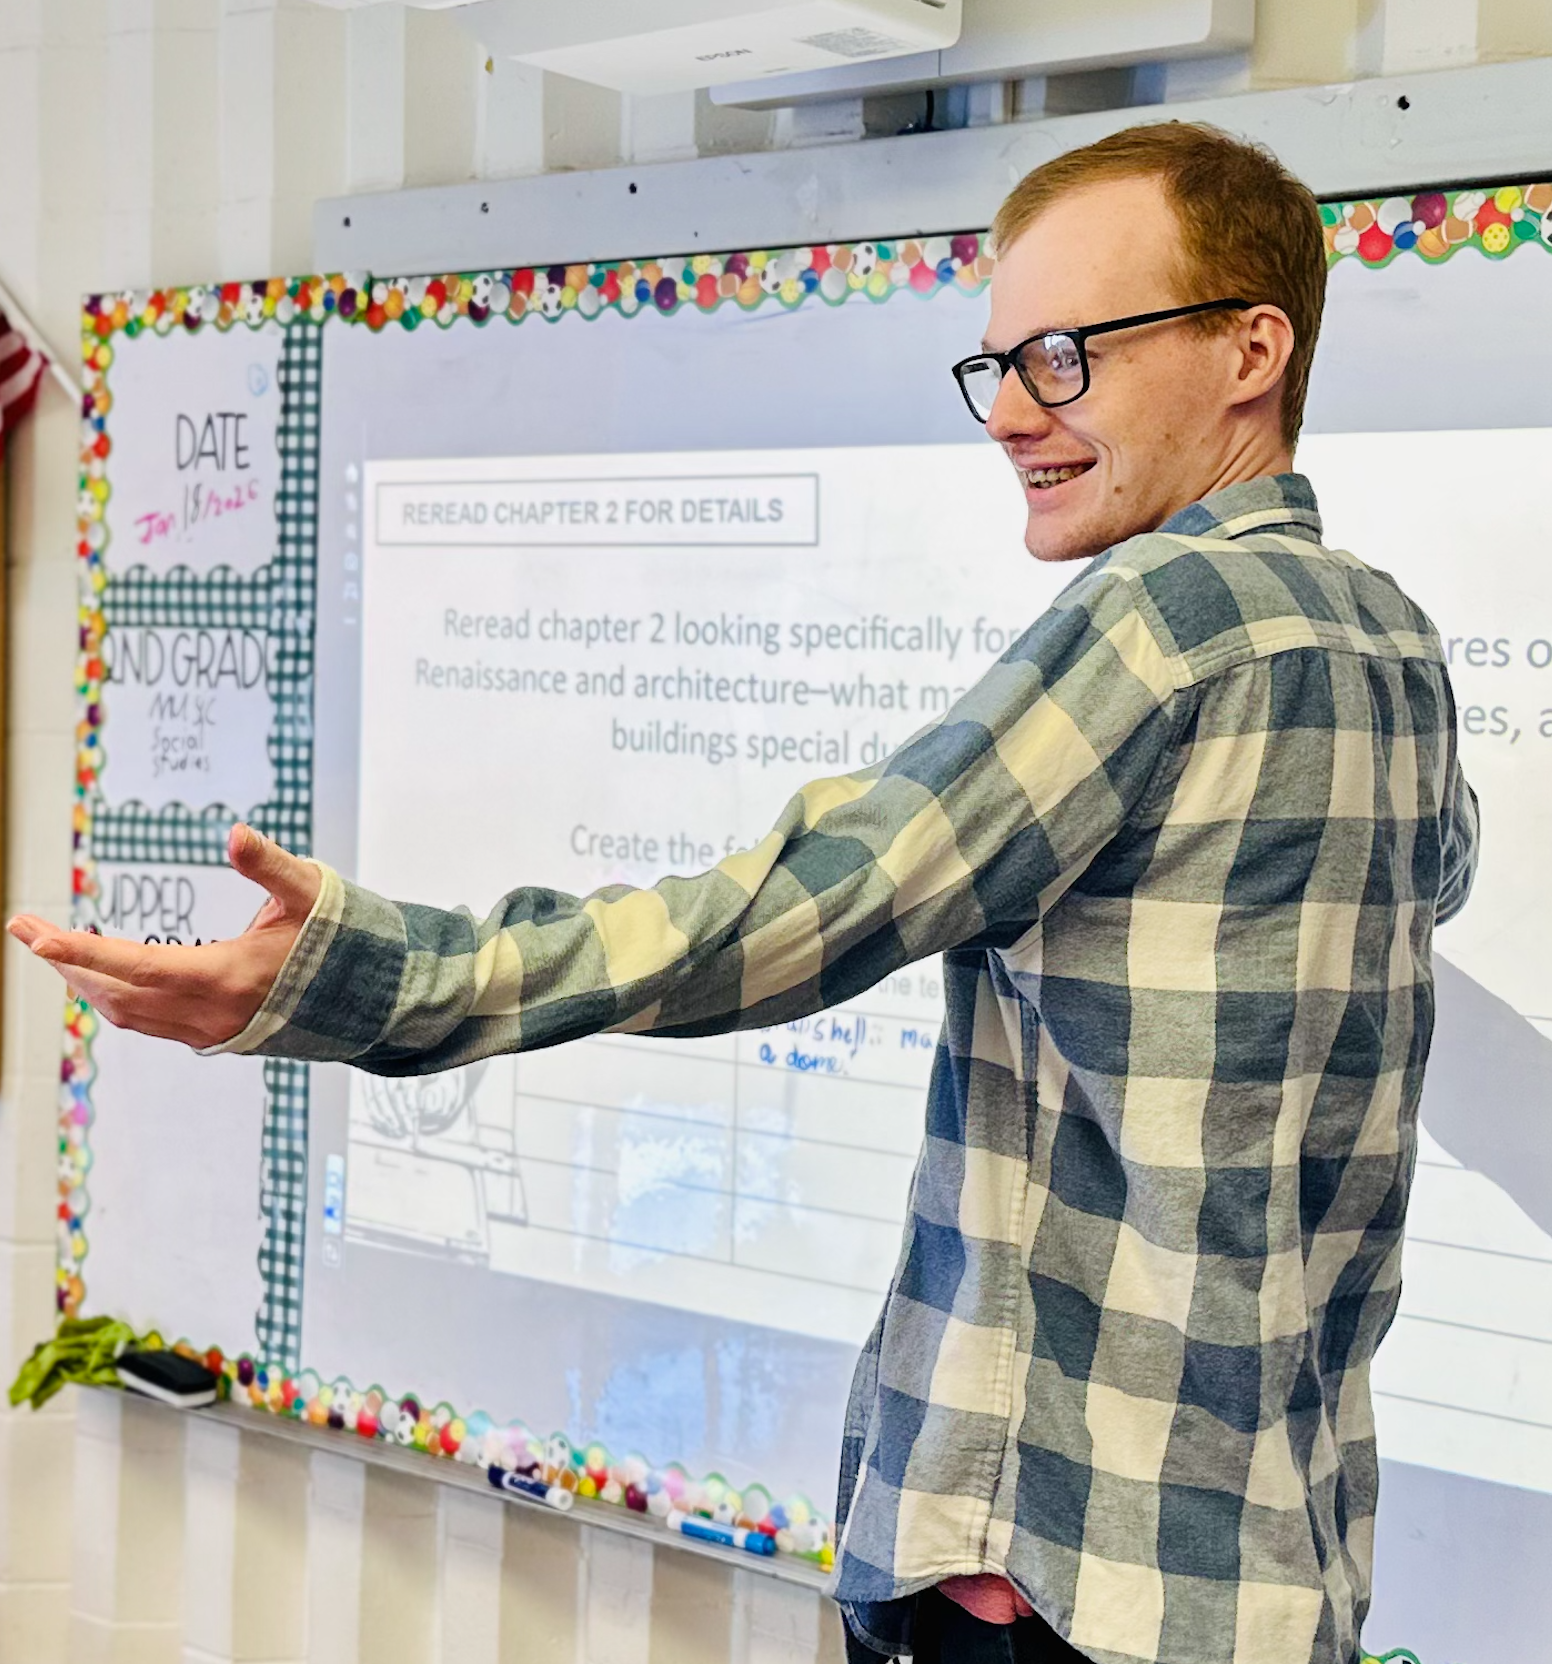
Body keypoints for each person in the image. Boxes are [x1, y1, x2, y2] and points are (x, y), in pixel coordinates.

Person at [12, 122, 1479, 1664]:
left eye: (1066, 356)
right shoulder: (1391, 643)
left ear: (1254, 349)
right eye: (998, 368)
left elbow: (793, 911)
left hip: (1046, 1592)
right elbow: (1428, 878)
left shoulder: (1166, 619)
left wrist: (376, 974)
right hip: (1257, 1579)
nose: (1015, 415)